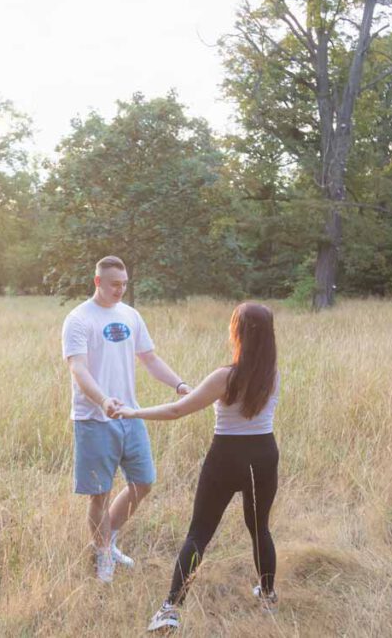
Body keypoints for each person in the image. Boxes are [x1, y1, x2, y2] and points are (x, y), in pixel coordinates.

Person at [110, 302, 280, 631]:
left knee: (199, 533)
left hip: (226, 457)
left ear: (238, 333)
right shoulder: (272, 375)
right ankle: (268, 596)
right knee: (260, 529)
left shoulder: (226, 376)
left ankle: (170, 609)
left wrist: (132, 412)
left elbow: (177, 411)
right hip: (263, 455)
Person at [62, 255, 191, 583]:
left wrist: (179, 385)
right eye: (114, 284)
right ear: (98, 282)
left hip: (131, 415)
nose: (120, 290)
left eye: (124, 284)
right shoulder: (78, 319)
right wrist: (103, 400)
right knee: (99, 494)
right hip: (94, 419)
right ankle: (102, 552)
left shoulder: (131, 315)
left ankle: (109, 539)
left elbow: (149, 358)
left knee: (143, 482)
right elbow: (78, 368)